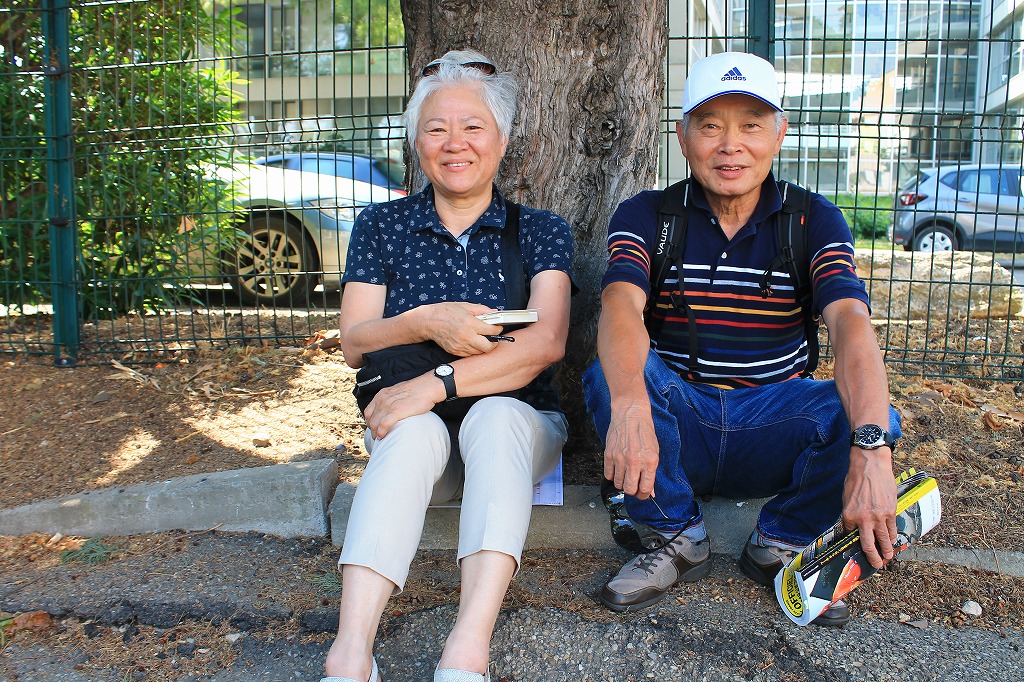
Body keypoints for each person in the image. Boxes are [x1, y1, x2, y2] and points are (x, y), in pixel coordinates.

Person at [582, 52, 901, 627]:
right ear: (682, 138)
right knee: (612, 372)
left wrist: (873, 448)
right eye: (711, 126)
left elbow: (852, 324)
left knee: (867, 413)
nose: (731, 146)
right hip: (676, 427)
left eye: (752, 125)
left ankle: (782, 543)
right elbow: (619, 305)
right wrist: (630, 401)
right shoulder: (649, 214)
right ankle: (676, 535)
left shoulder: (812, 220)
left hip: (770, 425)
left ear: (778, 134)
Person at [321, 50, 574, 682]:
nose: (454, 143)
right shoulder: (382, 225)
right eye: (436, 129)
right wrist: (424, 323)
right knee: (411, 432)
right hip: (415, 432)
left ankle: (467, 648)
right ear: (416, 142)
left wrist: (437, 381)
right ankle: (351, 651)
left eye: (472, 127)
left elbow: (545, 344)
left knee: (494, 419)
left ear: (502, 139)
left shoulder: (540, 230)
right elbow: (355, 342)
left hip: (517, 432)